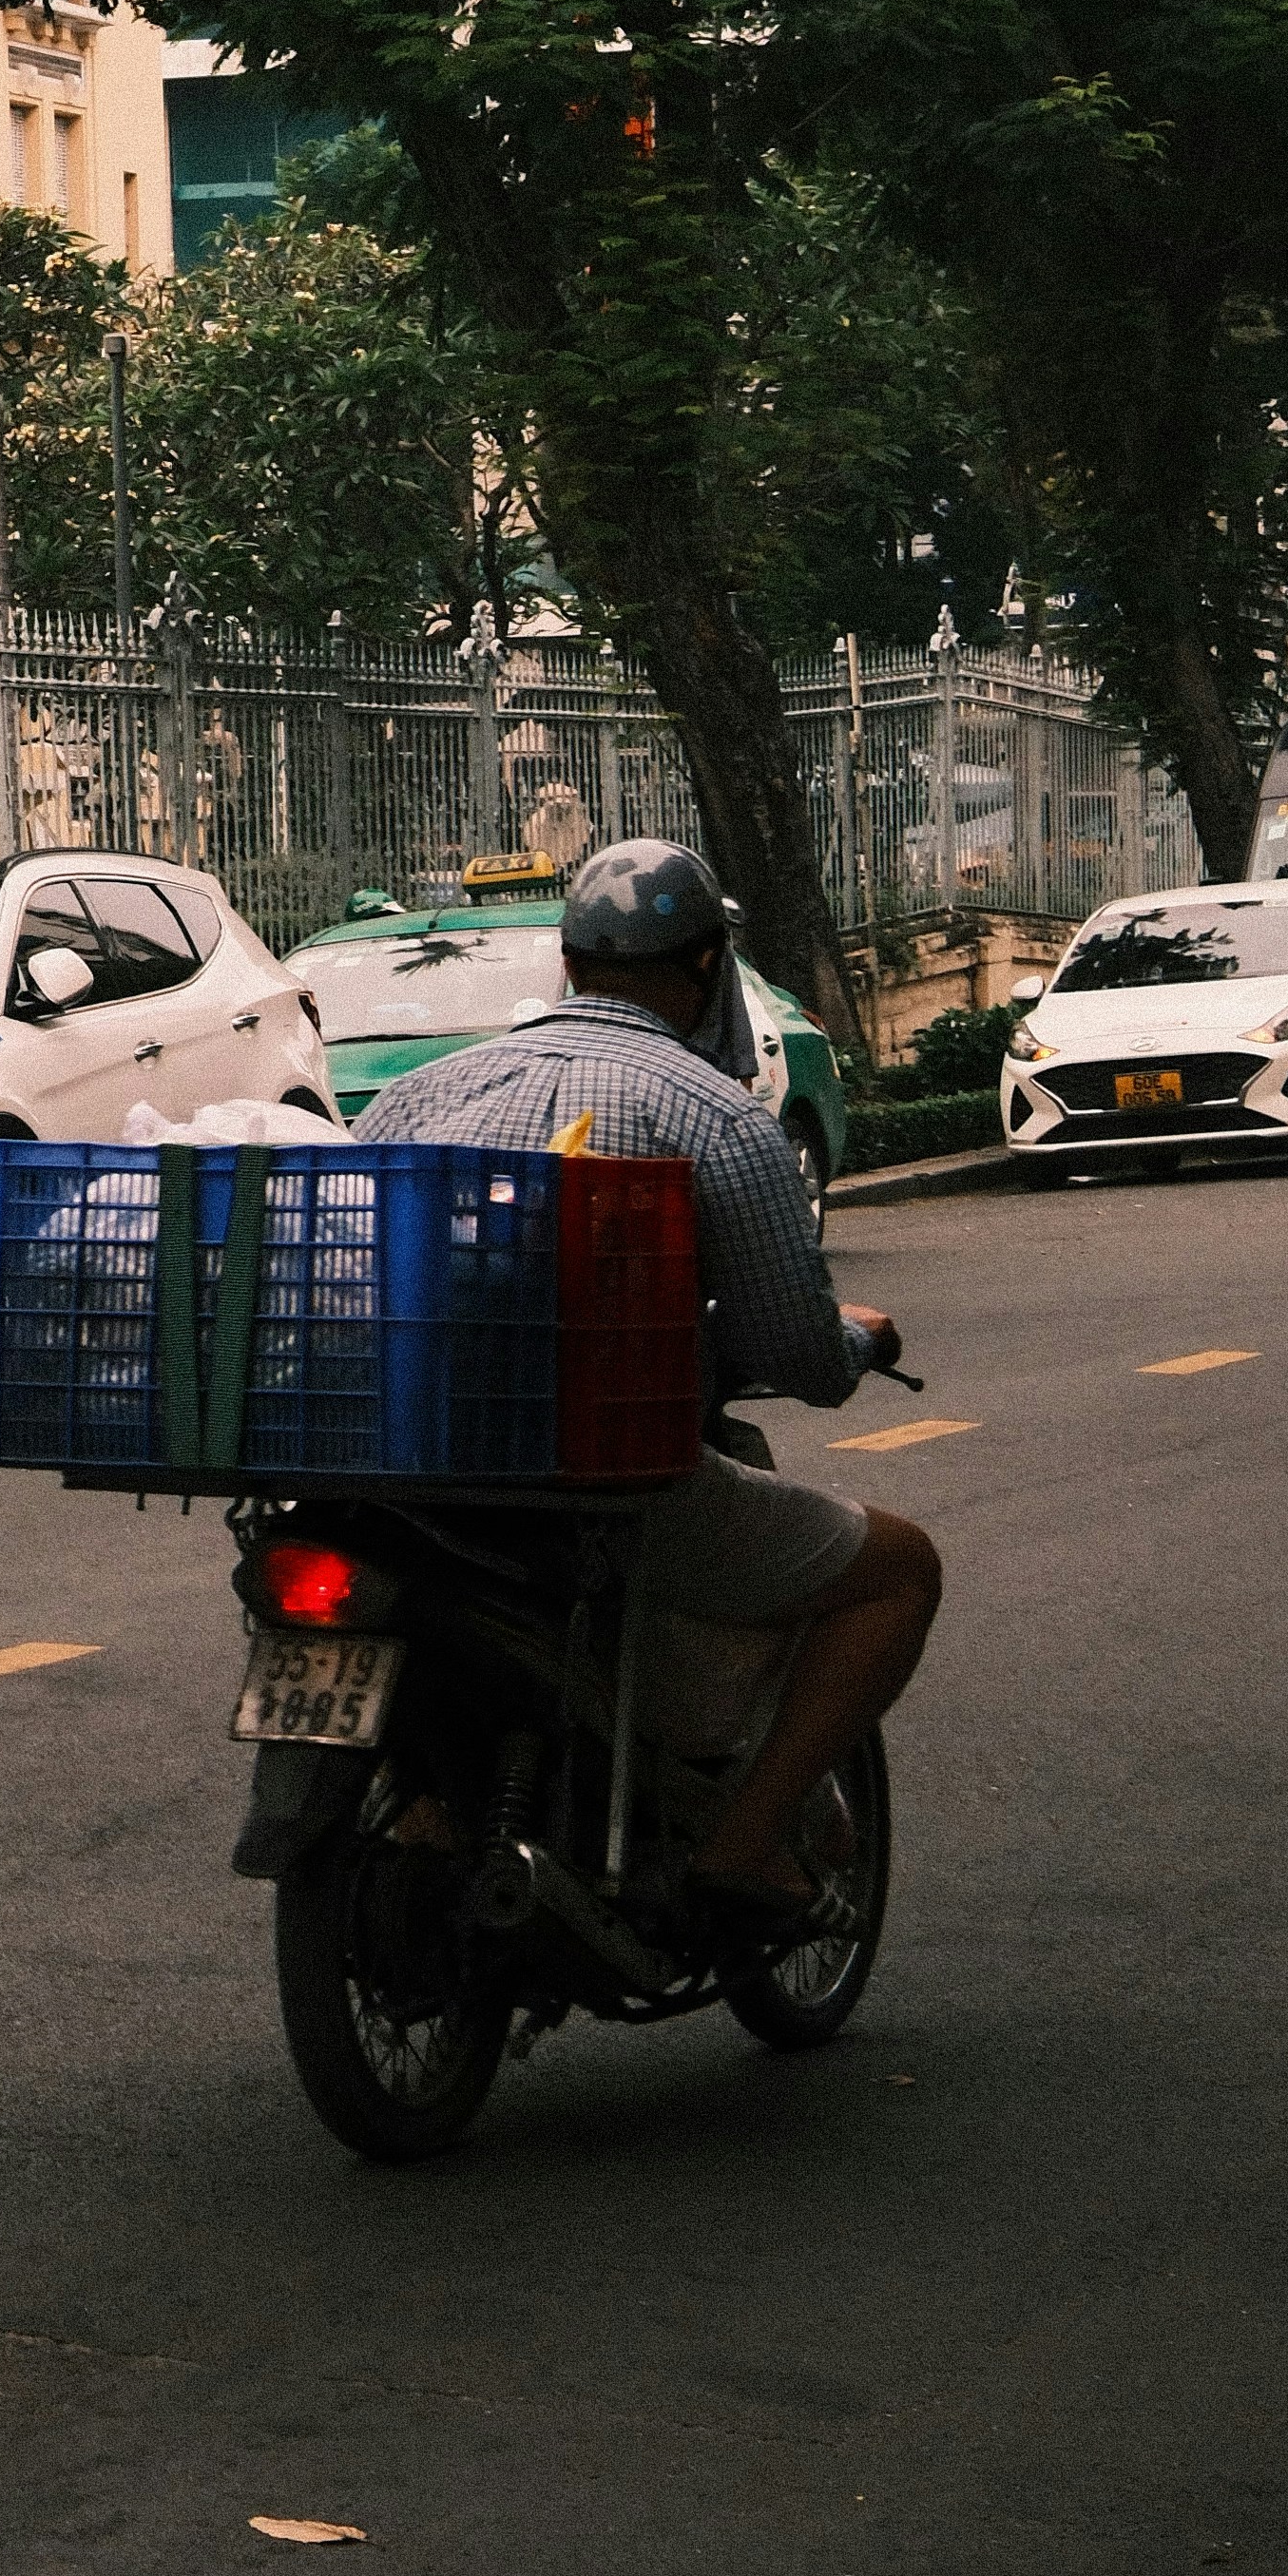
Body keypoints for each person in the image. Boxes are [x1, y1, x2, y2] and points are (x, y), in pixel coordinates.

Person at [345, 835, 946, 1948]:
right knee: (899, 1570)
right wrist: (854, 1343)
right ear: (711, 966)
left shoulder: (414, 1099)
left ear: (568, 963)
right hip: (595, 1484)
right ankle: (744, 1841)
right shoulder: (716, 1116)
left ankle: (437, 1799)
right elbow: (799, 1354)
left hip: (403, 1471)